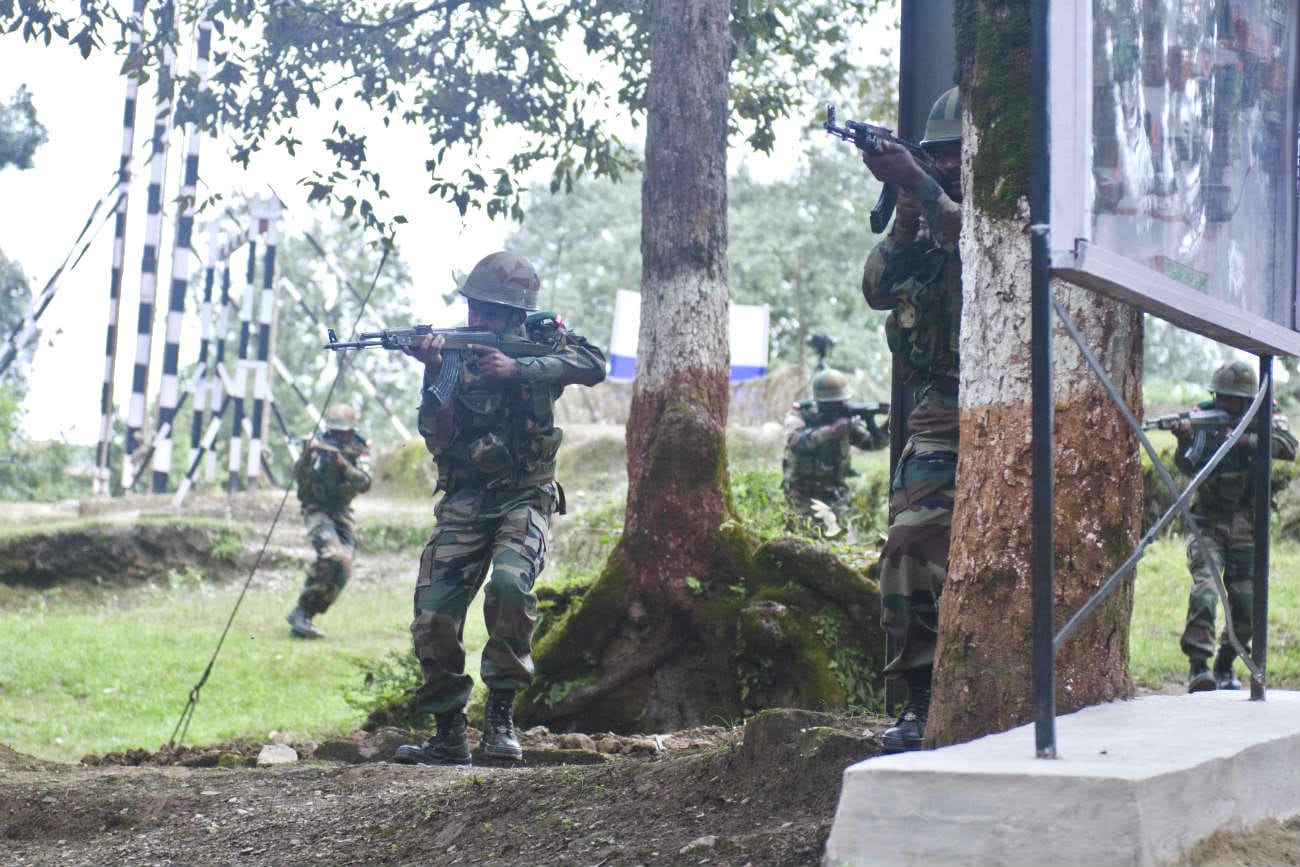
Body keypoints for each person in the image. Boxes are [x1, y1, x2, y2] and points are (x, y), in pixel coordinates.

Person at [393, 251, 606, 766]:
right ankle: (447, 733)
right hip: (467, 500)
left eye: (490, 312)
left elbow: (595, 363)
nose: (478, 320)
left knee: (510, 588)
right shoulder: (454, 356)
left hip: (526, 496)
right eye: (474, 309)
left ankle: (501, 720)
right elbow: (436, 436)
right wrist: (436, 372)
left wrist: (519, 368)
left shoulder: (540, 343)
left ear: (515, 317)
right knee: (432, 613)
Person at [859, 86, 964, 752]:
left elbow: (981, 243)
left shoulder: (1001, 211)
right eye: (939, 156)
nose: (950, 166)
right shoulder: (925, 223)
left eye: (959, 155)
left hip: (1014, 411)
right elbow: (875, 289)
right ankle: (918, 701)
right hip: (939, 416)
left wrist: (922, 185)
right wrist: (902, 211)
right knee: (904, 551)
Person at [1172, 360, 1296, 692]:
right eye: (1221, 397)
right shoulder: (1204, 416)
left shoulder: (1266, 413)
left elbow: (1288, 447)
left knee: (1246, 605)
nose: (1225, 404)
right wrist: (1185, 439)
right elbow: (1188, 464)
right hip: (1208, 524)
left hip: (1248, 525)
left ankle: (1226, 666)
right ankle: (1198, 667)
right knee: (1205, 590)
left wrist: (1243, 440)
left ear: (1246, 400)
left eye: (1232, 399)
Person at [285, 403, 373, 640]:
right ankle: (302, 611)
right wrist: (308, 455)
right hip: (317, 509)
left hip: (341, 511)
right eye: (334, 432)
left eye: (343, 432)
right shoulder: (318, 444)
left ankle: (304, 615)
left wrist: (344, 465)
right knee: (332, 555)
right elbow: (298, 477)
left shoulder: (360, 448)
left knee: (344, 568)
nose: (338, 437)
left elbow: (365, 482)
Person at [782, 367, 888, 533]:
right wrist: (831, 430)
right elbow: (796, 443)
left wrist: (889, 423)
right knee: (803, 534)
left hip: (835, 496)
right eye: (833, 404)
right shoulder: (801, 414)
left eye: (841, 402)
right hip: (802, 494)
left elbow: (873, 444)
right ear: (820, 401)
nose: (839, 406)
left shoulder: (845, 420)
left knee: (838, 536)